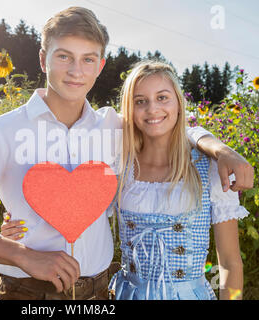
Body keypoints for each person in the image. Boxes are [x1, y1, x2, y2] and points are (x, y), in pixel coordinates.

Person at [0, 7, 253, 300]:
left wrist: (219, 148)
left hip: (101, 293)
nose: (76, 70)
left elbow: (166, 125)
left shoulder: (112, 127)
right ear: (43, 59)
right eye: (64, 57)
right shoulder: (1, 132)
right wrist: (20, 254)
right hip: (28, 292)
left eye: (88, 59)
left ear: (100, 66)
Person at [102, 60, 248, 300]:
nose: (152, 109)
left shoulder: (209, 167)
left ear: (179, 103)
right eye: (140, 101)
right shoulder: (120, 165)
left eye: (162, 97)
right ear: (130, 109)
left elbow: (231, 263)